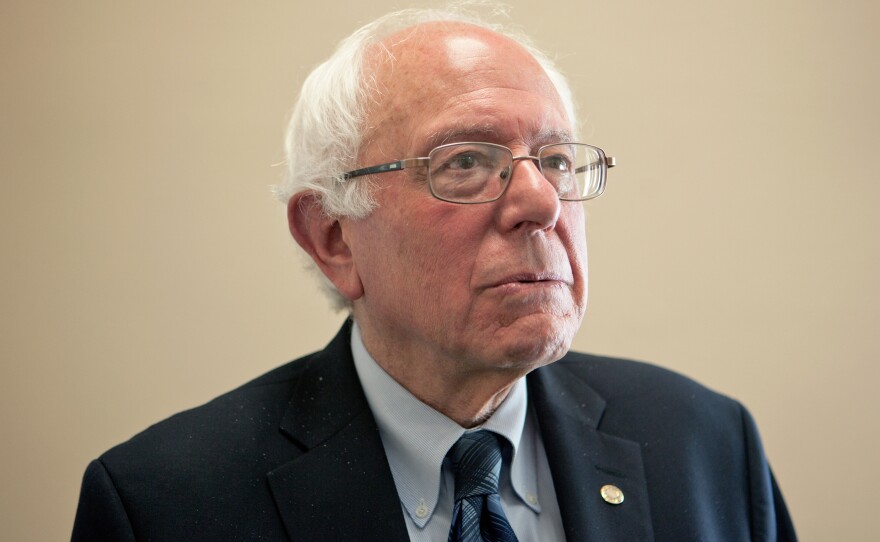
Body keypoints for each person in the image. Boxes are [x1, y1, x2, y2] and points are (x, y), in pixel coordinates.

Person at [72, 6, 796, 541]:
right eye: (465, 162)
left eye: (554, 159)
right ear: (333, 237)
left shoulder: (705, 445)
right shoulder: (165, 504)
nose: (541, 203)